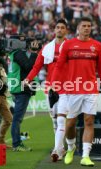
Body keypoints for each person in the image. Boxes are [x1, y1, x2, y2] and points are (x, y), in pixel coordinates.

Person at [51, 17, 101, 167]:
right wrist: (54, 84)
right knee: (70, 123)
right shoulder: (68, 45)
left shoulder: (97, 46)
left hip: (90, 89)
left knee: (89, 121)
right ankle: (71, 148)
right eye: (84, 26)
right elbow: (58, 66)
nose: (87, 28)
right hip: (73, 89)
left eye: (89, 26)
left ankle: (85, 156)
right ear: (78, 28)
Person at [24, 19, 68, 160]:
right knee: (55, 120)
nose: (59, 30)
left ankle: (60, 148)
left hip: (68, 87)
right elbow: (37, 67)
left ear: (66, 30)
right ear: (54, 30)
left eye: (62, 27)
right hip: (50, 88)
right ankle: (60, 148)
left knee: (64, 119)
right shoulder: (47, 48)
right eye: (57, 27)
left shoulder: (71, 46)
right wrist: (28, 79)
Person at [8, 37, 42, 151]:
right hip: (21, 89)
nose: (25, 43)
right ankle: (16, 144)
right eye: (22, 41)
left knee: (17, 118)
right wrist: (33, 52)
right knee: (17, 118)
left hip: (17, 87)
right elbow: (28, 66)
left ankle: (17, 142)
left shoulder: (14, 54)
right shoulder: (18, 53)